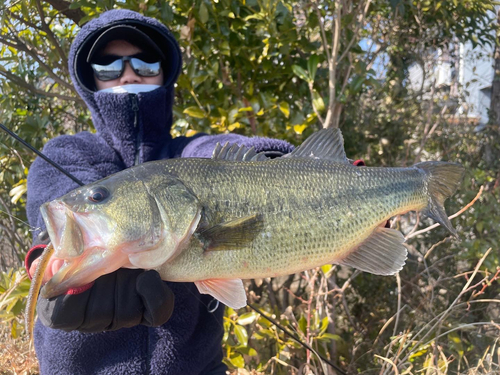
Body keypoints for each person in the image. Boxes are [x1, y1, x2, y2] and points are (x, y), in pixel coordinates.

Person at [25, 9, 294, 375]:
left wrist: (301, 169)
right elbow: (56, 198)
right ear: (91, 82)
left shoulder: (189, 151)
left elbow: (218, 153)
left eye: (145, 63)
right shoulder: (67, 151)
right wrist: (48, 259)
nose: (129, 74)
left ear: (164, 74)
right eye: (108, 67)